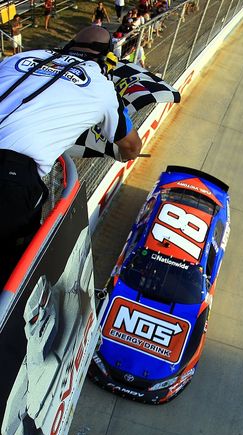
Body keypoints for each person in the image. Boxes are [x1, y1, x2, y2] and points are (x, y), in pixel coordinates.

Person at [0, 25, 142, 286]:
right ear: (106, 58)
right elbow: (132, 147)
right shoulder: (102, 86)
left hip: (12, 170)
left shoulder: (21, 57)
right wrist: (120, 155)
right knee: (11, 272)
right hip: (11, 177)